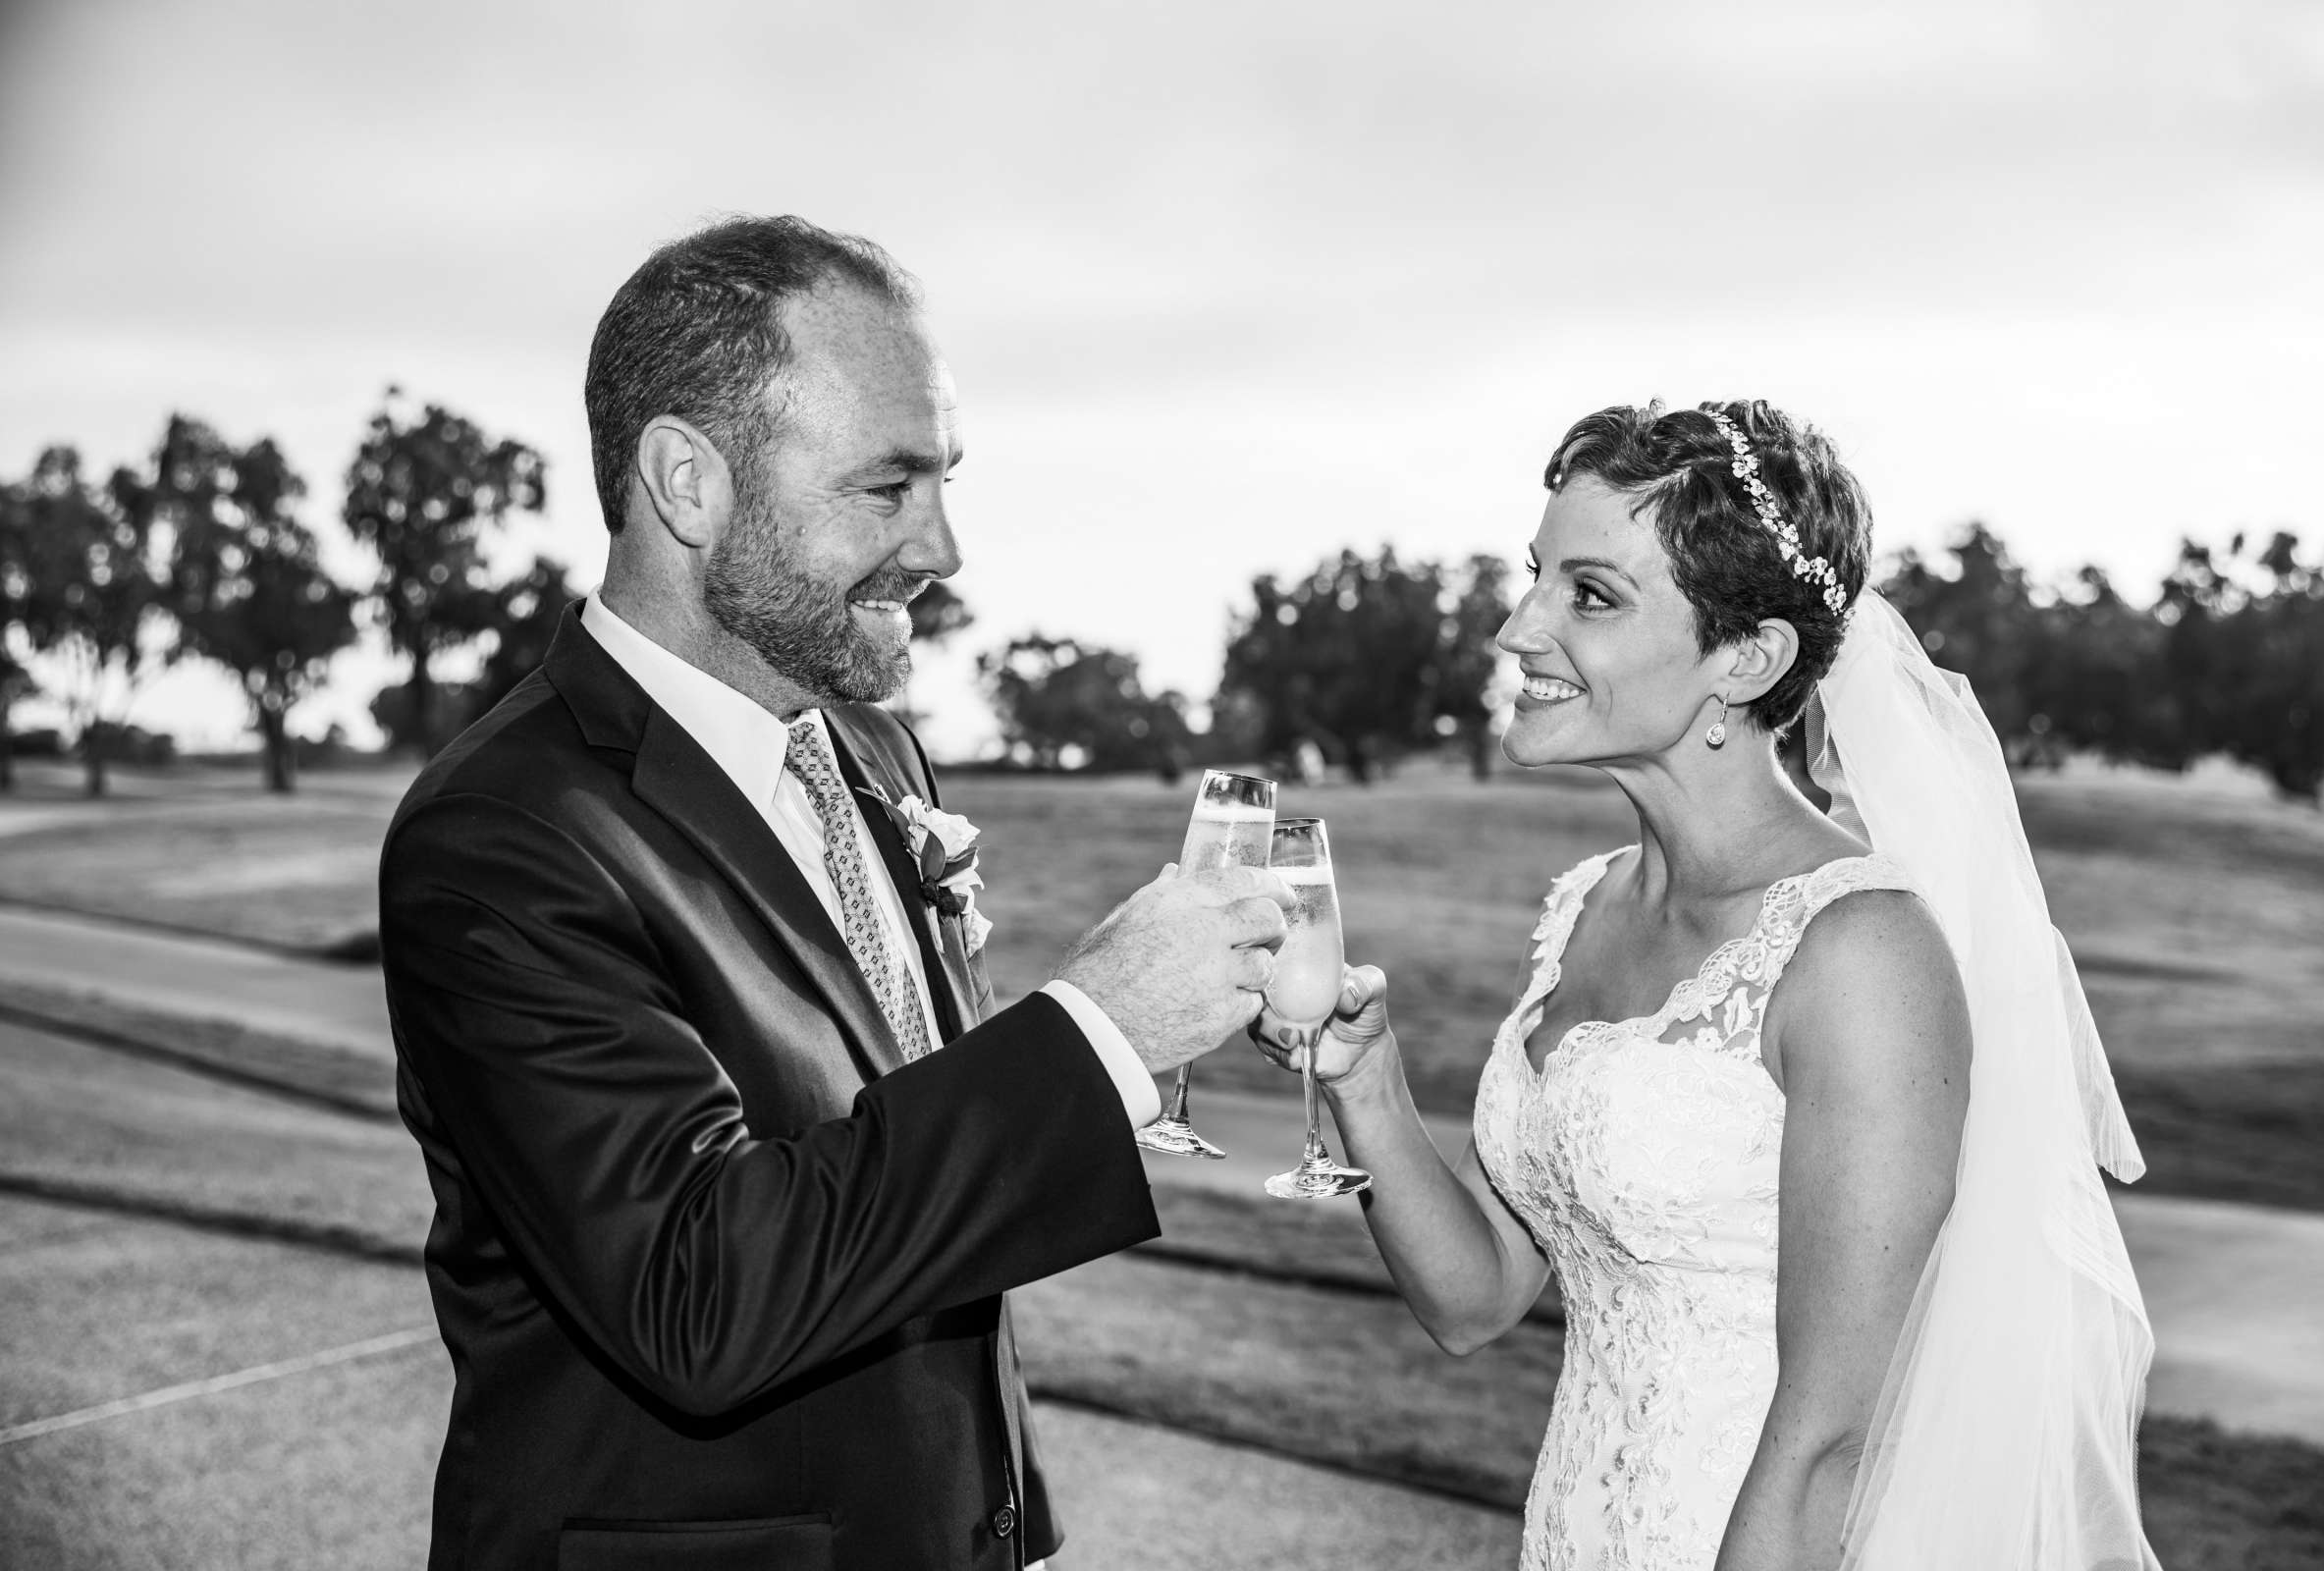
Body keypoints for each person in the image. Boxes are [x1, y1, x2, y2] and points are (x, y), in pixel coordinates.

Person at [378, 214, 1292, 1571]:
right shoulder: (504, 836)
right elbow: (702, 1292)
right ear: (687, 482)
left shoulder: (872, 749)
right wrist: (1100, 1032)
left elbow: (910, 1180)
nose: (944, 545)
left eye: (946, 479)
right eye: (888, 486)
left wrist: (1010, 1521)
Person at [1263, 400, 2159, 1569]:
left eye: (1589, 594)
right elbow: (1475, 1299)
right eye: (1534, 576)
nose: (1515, 627)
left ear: (1748, 657)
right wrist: (1364, 1082)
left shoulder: (1859, 953)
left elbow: (1832, 1441)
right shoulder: (1585, 906)